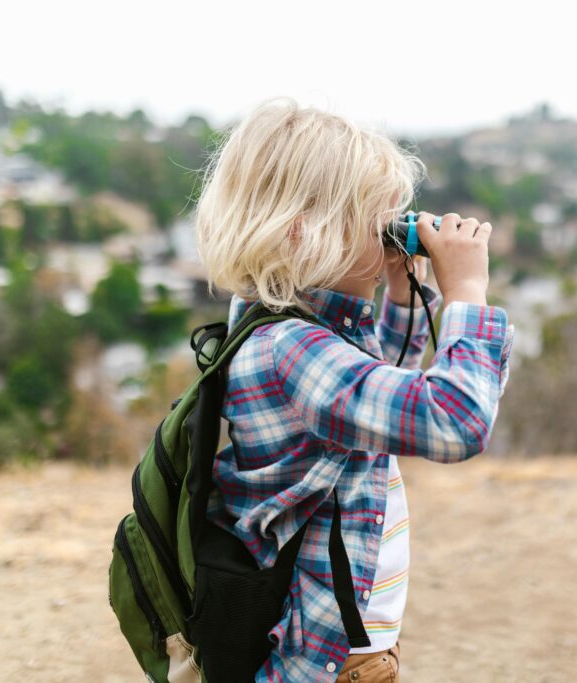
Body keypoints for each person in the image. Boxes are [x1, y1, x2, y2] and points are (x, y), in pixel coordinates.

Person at [193, 96, 514, 682]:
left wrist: (399, 294)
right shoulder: (295, 350)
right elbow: (454, 421)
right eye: (377, 223)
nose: (390, 237)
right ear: (305, 234)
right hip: (329, 659)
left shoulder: (276, 323)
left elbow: (372, 399)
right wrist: (467, 292)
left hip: (339, 641)